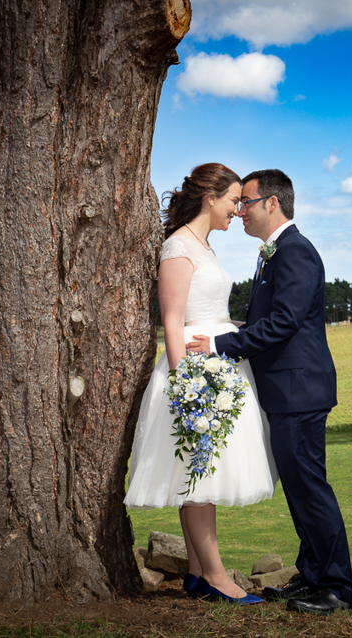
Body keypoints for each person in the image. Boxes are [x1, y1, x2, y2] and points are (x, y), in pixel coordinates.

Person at [188, 169, 352, 615]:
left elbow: (284, 323)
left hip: (300, 391)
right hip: (287, 392)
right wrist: (233, 328)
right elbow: (277, 320)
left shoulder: (295, 252)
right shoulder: (276, 253)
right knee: (300, 490)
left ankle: (340, 589)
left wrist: (219, 345)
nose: (239, 210)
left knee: (310, 489)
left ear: (271, 203)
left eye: (246, 202)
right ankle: (315, 577)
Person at [124, 163, 277, 605]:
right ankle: (215, 575)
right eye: (233, 200)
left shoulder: (203, 245)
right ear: (210, 199)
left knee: (199, 471)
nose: (238, 210)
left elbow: (204, 308)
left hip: (215, 361)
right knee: (200, 473)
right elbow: (172, 320)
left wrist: (236, 326)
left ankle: (195, 572)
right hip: (193, 372)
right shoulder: (177, 248)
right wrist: (184, 386)